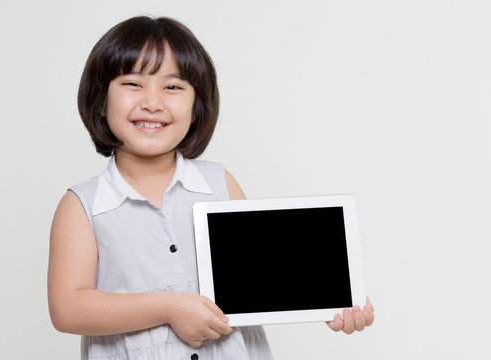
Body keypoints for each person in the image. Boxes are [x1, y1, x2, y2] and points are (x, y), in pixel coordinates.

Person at [48, 15, 374, 360]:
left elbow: (261, 277)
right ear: (100, 100)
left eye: (172, 87)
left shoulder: (219, 184)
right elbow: (68, 308)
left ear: (196, 107)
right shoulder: (83, 205)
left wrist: (324, 302)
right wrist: (168, 307)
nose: (153, 102)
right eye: (133, 83)